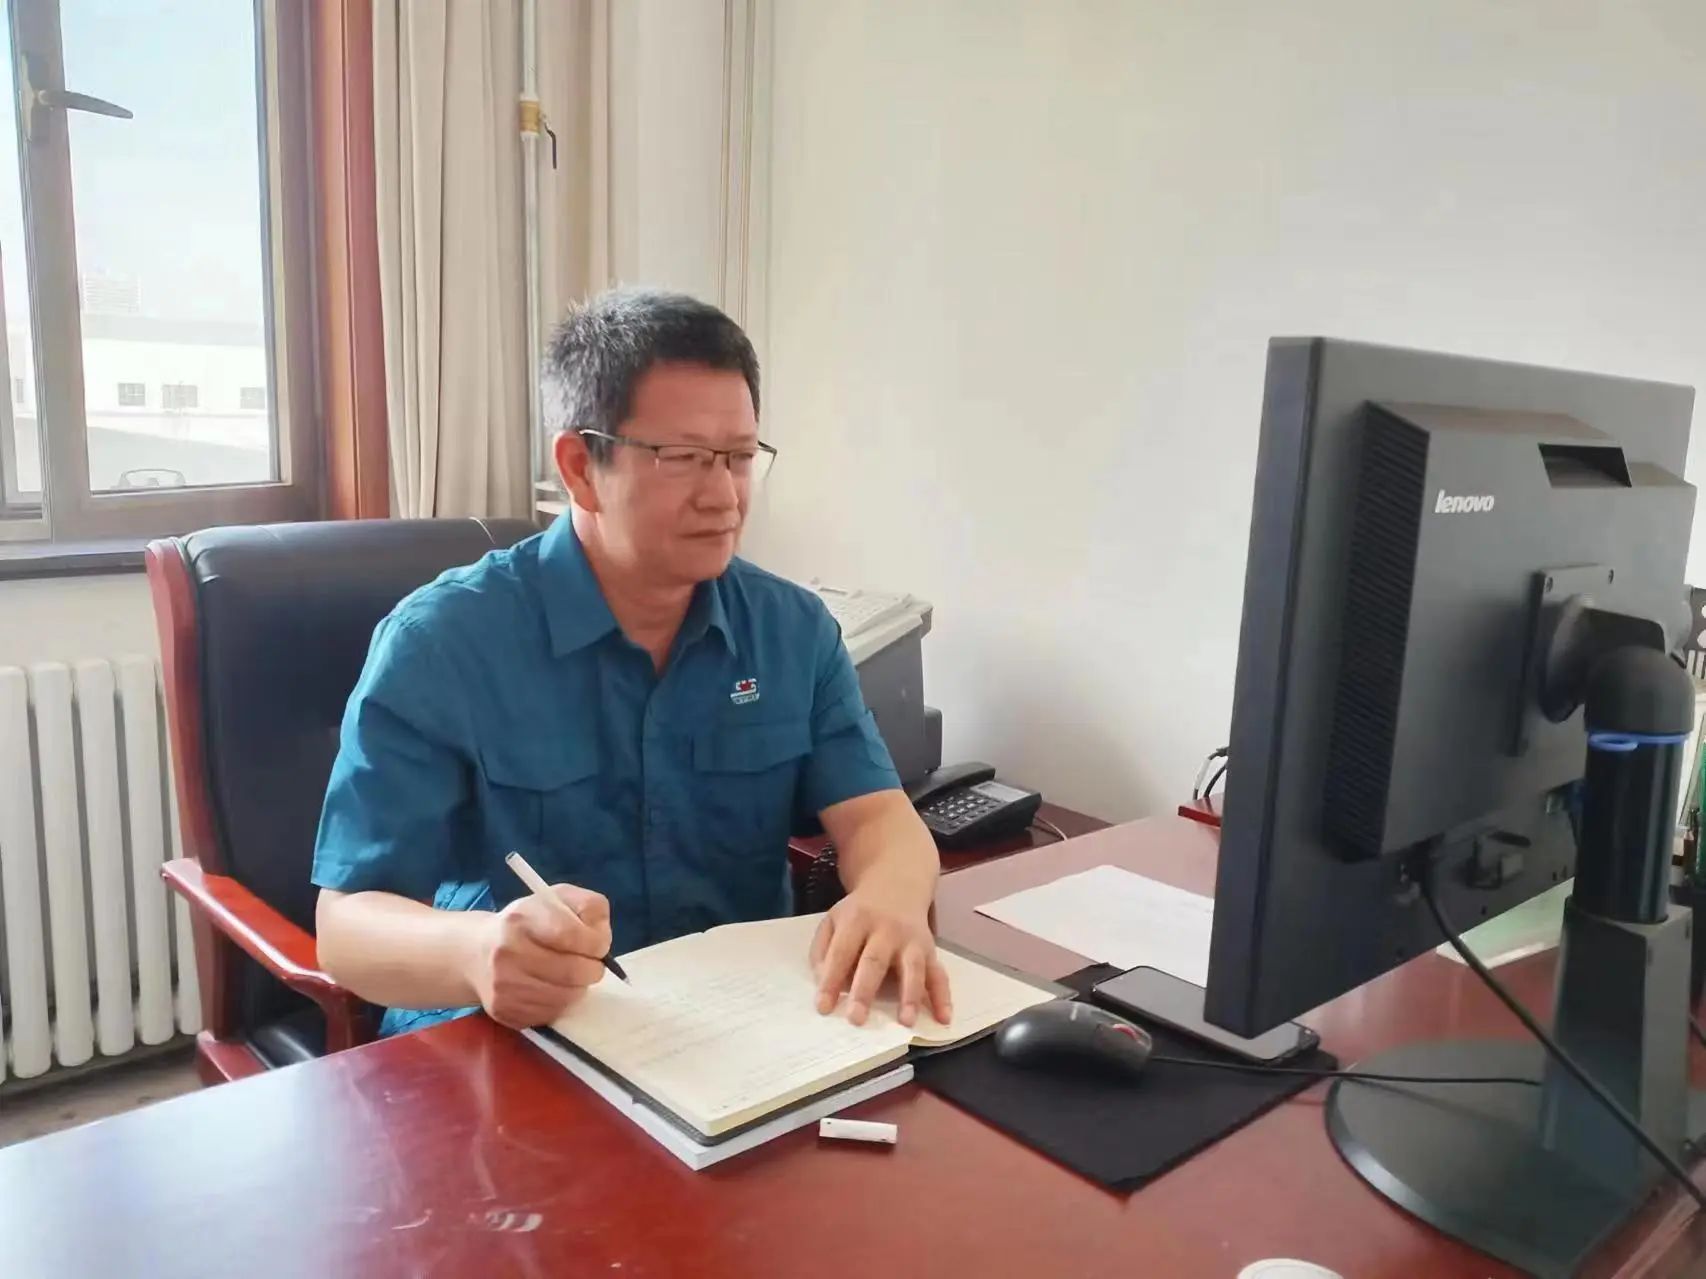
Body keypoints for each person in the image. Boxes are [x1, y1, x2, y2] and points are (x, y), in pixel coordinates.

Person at [312, 288, 951, 1037]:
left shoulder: (792, 630)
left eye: (740, 458)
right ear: (580, 467)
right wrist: (477, 951)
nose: (724, 497)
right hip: (508, 1039)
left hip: (738, 1038)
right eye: (683, 459)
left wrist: (891, 897)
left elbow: (878, 818)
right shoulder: (443, 643)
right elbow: (346, 925)